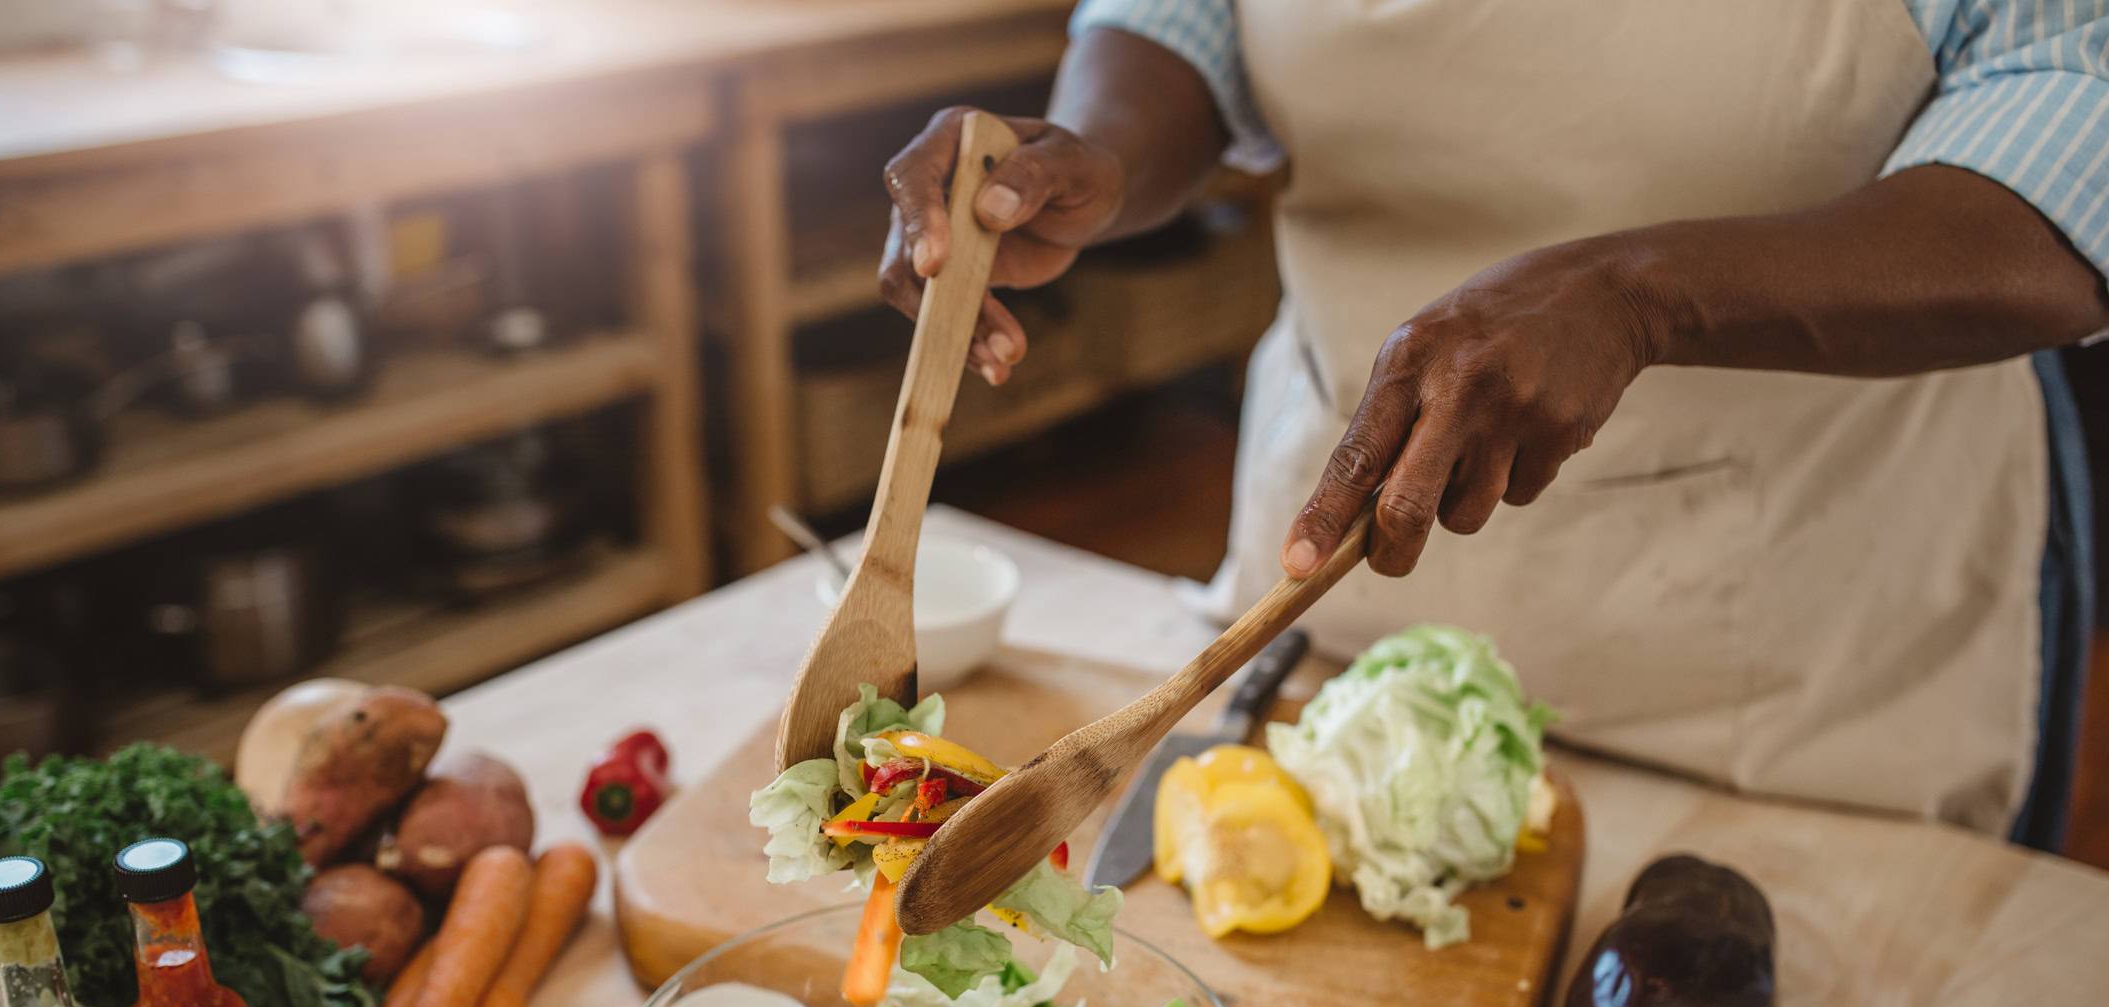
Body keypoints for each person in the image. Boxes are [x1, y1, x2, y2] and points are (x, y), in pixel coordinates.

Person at [877, 1, 2109, 848]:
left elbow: (2073, 124)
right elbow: (1184, 18)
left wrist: (1642, 294)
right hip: (1339, 588)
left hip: (1813, 662)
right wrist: (1100, 154)